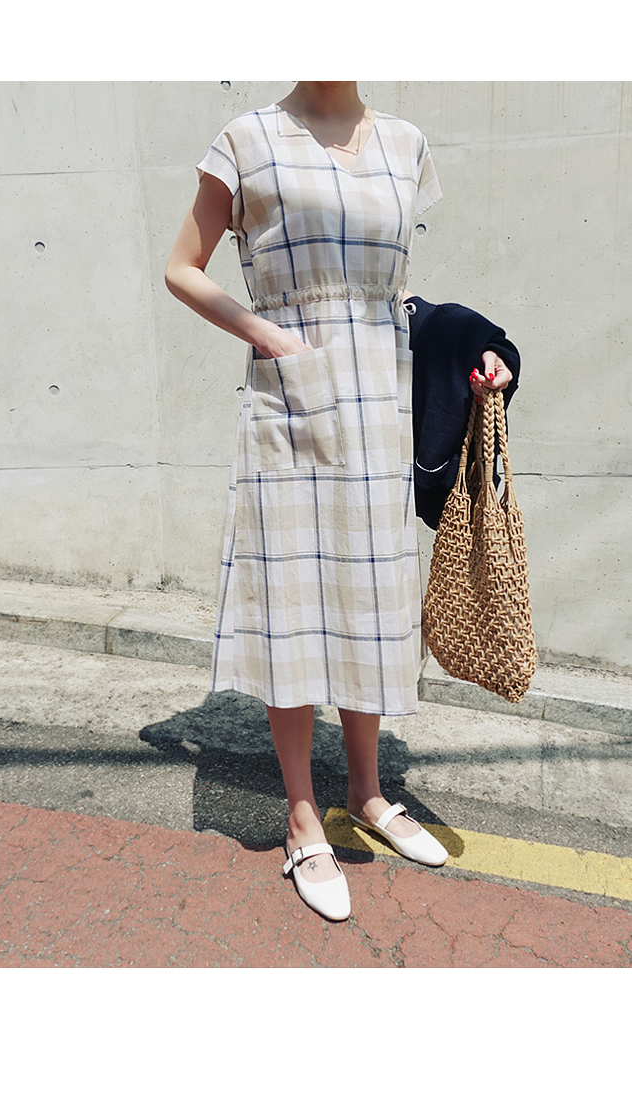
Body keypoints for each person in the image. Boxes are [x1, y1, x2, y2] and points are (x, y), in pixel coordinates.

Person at [165, 82, 512, 921]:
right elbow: (180, 268)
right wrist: (270, 336)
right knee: (294, 603)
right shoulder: (246, 140)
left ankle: (367, 792)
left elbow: (391, 292)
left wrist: (473, 354)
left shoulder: (405, 142)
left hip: (379, 404)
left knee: (371, 598)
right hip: (290, 401)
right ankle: (301, 817)